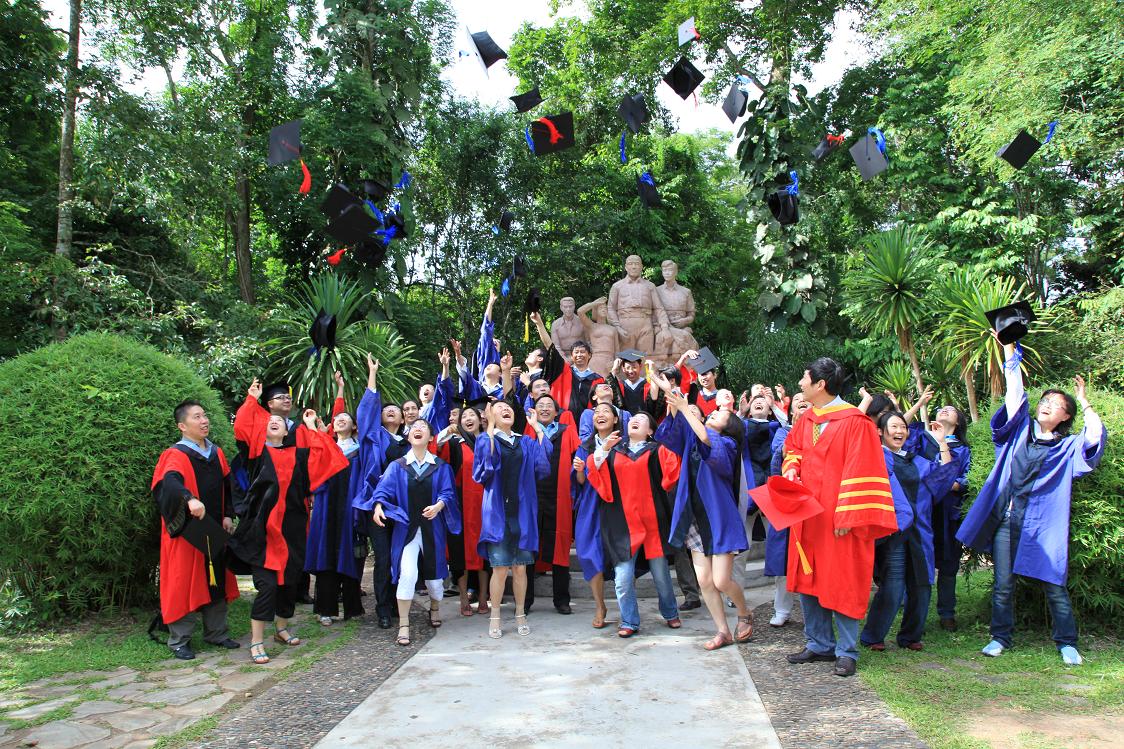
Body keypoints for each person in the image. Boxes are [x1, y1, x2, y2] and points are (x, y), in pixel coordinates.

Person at [957, 345, 1105, 665]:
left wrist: (1084, 401)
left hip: (1043, 523)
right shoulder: (1020, 432)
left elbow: (1093, 438)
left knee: (1054, 583)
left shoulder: (1067, 447)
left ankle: (1067, 643)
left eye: (1056, 404)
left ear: (1066, 416)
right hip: (1008, 519)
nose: (1047, 406)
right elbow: (1014, 394)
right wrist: (1010, 349)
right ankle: (999, 637)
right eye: (1045, 401)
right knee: (1003, 584)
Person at [780, 357, 897, 678]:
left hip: (840, 519)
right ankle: (819, 643)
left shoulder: (856, 422)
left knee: (843, 581)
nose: (800, 383)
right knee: (809, 578)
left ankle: (846, 651)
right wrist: (791, 469)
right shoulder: (806, 420)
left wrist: (851, 514)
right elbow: (794, 450)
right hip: (808, 517)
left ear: (820, 385)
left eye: (805, 378)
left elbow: (864, 469)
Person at [229, 404, 349, 665]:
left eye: (279, 421)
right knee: (267, 587)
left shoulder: (299, 456)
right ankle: (257, 641)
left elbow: (329, 455)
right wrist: (252, 400)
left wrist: (310, 427)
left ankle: (282, 628)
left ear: (287, 432)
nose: (273, 422)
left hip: (292, 530)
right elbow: (243, 427)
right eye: (268, 420)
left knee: (290, 583)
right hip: (261, 533)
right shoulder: (255, 455)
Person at [652, 372, 753, 650]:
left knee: (721, 581)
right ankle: (722, 631)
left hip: (719, 519)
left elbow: (709, 443)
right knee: (705, 581)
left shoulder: (728, 445)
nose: (713, 415)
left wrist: (685, 407)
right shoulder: (695, 438)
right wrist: (670, 396)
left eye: (720, 415)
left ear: (730, 427)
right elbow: (671, 436)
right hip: (695, 519)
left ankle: (744, 612)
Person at [859, 411, 958, 652]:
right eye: (893, 427)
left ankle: (910, 635)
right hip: (893, 533)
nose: (899, 431)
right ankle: (873, 636)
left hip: (920, 532)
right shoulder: (875, 458)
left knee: (922, 585)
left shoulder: (918, 461)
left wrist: (942, 442)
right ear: (880, 432)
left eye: (902, 427)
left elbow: (943, 480)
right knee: (893, 585)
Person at [151, 400, 241, 660]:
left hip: (213, 528)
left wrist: (227, 515)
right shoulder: (175, 455)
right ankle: (179, 640)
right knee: (184, 582)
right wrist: (189, 499)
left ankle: (217, 633)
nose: (204, 421)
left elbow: (228, 485)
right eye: (196, 417)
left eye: (204, 415)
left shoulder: (216, 453)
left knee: (216, 581)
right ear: (182, 425)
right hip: (187, 531)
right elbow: (168, 483)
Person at [365, 418, 461, 646]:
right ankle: (404, 624)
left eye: (423, 428)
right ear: (408, 437)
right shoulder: (397, 466)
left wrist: (439, 505)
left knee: (435, 582)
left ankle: (434, 608)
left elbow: (448, 493)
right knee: (407, 574)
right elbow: (382, 491)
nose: (417, 430)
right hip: (406, 529)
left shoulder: (440, 466)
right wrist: (378, 506)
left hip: (432, 529)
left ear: (430, 437)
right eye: (414, 428)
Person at [586, 412, 683, 637]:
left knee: (661, 575)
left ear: (650, 431)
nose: (635, 420)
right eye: (632, 418)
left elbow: (672, 470)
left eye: (642, 419)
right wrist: (605, 449)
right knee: (623, 577)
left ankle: (670, 612)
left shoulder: (657, 450)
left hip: (652, 522)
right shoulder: (615, 449)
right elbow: (595, 467)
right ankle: (629, 620)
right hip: (623, 524)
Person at [472, 377, 552, 638]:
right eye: (499, 408)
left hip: (522, 513)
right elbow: (485, 467)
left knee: (520, 568)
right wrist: (491, 428)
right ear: (490, 416)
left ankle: (520, 613)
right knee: (500, 568)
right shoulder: (486, 439)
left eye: (508, 408)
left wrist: (538, 429)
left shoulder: (525, 442)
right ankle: (495, 615)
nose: (505, 409)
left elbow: (542, 467)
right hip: (498, 513)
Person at [306, 365, 382, 626]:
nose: (340, 420)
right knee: (327, 554)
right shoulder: (325, 446)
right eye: (338, 419)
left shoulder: (360, 450)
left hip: (350, 507)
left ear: (354, 426)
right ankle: (326, 608)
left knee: (351, 554)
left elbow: (366, 413)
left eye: (346, 419)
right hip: (327, 508)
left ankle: (352, 606)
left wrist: (370, 374)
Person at [901, 386, 972, 631]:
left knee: (949, 564)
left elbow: (957, 481)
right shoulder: (922, 439)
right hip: (922, 511)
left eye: (951, 410)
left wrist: (936, 480)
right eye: (942, 408)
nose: (944, 409)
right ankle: (911, 613)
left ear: (958, 422)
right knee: (918, 563)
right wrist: (919, 403)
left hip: (947, 513)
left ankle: (946, 613)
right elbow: (898, 431)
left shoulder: (962, 450)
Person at [523, 394, 580, 615]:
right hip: (532, 496)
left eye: (550, 406)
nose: (545, 409)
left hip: (560, 495)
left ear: (557, 412)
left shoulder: (566, 431)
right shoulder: (529, 430)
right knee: (529, 547)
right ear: (534, 411)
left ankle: (562, 600)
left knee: (560, 546)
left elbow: (578, 459)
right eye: (540, 405)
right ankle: (525, 600)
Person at [438, 403, 491, 617]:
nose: (468, 418)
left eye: (473, 415)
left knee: (484, 552)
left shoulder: (489, 441)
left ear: (480, 420)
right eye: (464, 416)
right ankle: (463, 598)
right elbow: (436, 457)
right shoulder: (453, 444)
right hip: (460, 506)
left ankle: (484, 597)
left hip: (486, 506)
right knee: (461, 552)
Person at [569, 402, 617, 628]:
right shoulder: (584, 446)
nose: (600, 415)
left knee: (621, 555)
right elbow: (579, 482)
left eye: (606, 411)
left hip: (616, 505)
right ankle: (600, 605)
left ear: (615, 419)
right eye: (596, 412)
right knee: (589, 553)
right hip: (591, 504)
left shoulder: (623, 443)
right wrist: (579, 470)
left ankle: (627, 605)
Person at [765, 392, 811, 627]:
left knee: (812, 559)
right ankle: (782, 609)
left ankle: (813, 612)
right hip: (788, 502)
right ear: (791, 409)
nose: (803, 402)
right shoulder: (784, 432)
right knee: (784, 559)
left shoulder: (821, 431)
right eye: (798, 401)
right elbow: (781, 454)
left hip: (814, 502)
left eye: (807, 400)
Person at [531, 311, 606, 423]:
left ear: (589, 355)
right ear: (572, 355)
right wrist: (539, 323)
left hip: (587, 425)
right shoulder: (564, 371)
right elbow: (550, 346)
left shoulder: (598, 379)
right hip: (561, 423)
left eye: (582, 352)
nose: (579, 355)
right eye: (576, 352)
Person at [606, 254, 671, 353]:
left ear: (641, 267)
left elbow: (658, 308)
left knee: (645, 358)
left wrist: (665, 327)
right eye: (630, 264)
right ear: (626, 267)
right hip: (625, 325)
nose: (633, 266)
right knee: (627, 359)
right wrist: (617, 327)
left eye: (636, 264)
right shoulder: (617, 286)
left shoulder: (650, 286)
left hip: (645, 325)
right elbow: (610, 308)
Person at [606, 353, 664, 421]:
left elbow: (654, 398)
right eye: (627, 368)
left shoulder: (647, 385)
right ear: (623, 369)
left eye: (634, 367)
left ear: (640, 366)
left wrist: (652, 371)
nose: (631, 371)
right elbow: (608, 389)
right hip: (625, 425)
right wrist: (614, 369)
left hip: (644, 424)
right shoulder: (620, 386)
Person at [576, 297, 621, 377]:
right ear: (596, 311)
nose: (604, 309)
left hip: (610, 361)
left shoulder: (613, 329)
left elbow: (617, 350)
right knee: (594, 385)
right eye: (601, 308)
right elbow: (580, 311)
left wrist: (616, 363)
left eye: (605, 308)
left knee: (611, 386)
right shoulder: (592, 326)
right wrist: (595, 303)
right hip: (596, 359)